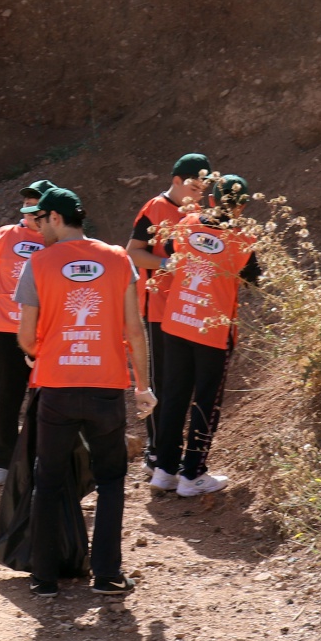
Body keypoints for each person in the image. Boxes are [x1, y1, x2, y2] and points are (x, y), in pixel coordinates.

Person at [14, 187, 156, 598]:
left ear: (57, 218)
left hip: (56, 388)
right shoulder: (117, 258)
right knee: (111, 478)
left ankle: (44, 579)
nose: (39, 227)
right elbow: (134, 329)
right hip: (106, 388)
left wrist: (44, 353)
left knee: (49, 479)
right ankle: (107, 574)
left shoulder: (37, 263)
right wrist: (143, 387)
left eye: (43, 219)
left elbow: (26, 336)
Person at [153, 175, 260, 497]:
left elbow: (170, 249)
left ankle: (164, 470)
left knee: (173, 395)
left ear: (212, 200)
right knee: (205, 402)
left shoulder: (186, 223)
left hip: (176, 322)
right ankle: (193, 475)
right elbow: (254, 278)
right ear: (240, 207)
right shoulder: (243, 240)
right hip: (212, 331)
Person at [126, 154, 211, 479]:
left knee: (179, 384)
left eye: (203, 187)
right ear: (176, 181)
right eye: (194, 186)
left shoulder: (200, 212)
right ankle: (155, 451)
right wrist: (164, 265)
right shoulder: (155, 209)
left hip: (188, 309)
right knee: (160, 380)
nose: (199, 192)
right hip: (158, 308)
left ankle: (168, 453)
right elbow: (132, 251)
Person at [0, 178, 54, 486]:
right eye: (25, 202)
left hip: (45, 333)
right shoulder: (4, 235)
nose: (28, 208)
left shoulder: (57, 240)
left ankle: (36, 457)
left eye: (34, 203)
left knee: (42, 398)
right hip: (6, 329)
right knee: (8, 397)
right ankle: (4, 461)